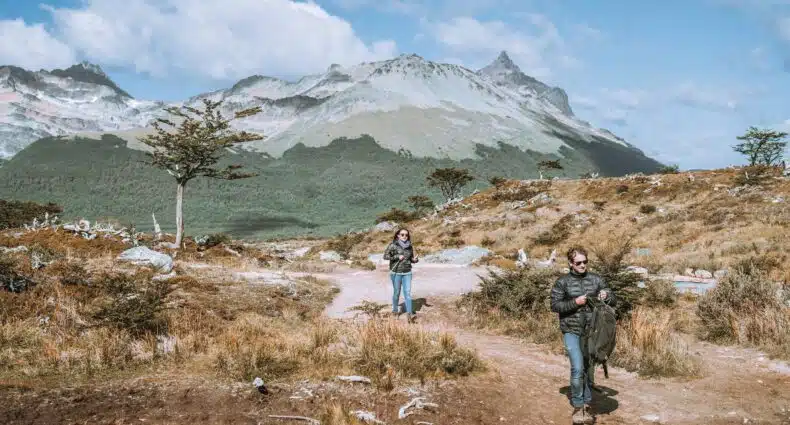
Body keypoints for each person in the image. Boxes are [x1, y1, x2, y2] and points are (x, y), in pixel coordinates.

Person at [550, 246, 615, 425]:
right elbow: (555, 305)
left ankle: (587, 403)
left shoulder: (596, 280)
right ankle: (578, 407)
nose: (583, 265)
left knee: (587, 369)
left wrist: (607, 295)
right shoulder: (562, 282)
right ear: (571, 263)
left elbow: (613, 299)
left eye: (585, 262)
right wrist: (575, 302)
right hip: (571, 330)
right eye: (579, 262)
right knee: (577, 368)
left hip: (591, 333)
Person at [382, 227, 419, 323]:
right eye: (402, 234)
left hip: (407, 272)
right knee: (397, 293)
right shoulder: (393, 245)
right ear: (398, 235)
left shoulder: (410, 246)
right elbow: (385, 256)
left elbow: (410, 259)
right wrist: (397, 256)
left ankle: (410, 314)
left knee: (407, 293)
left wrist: (415, 260)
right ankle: (395, 311)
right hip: (396, 272)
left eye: (406, 235)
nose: (405, 236)